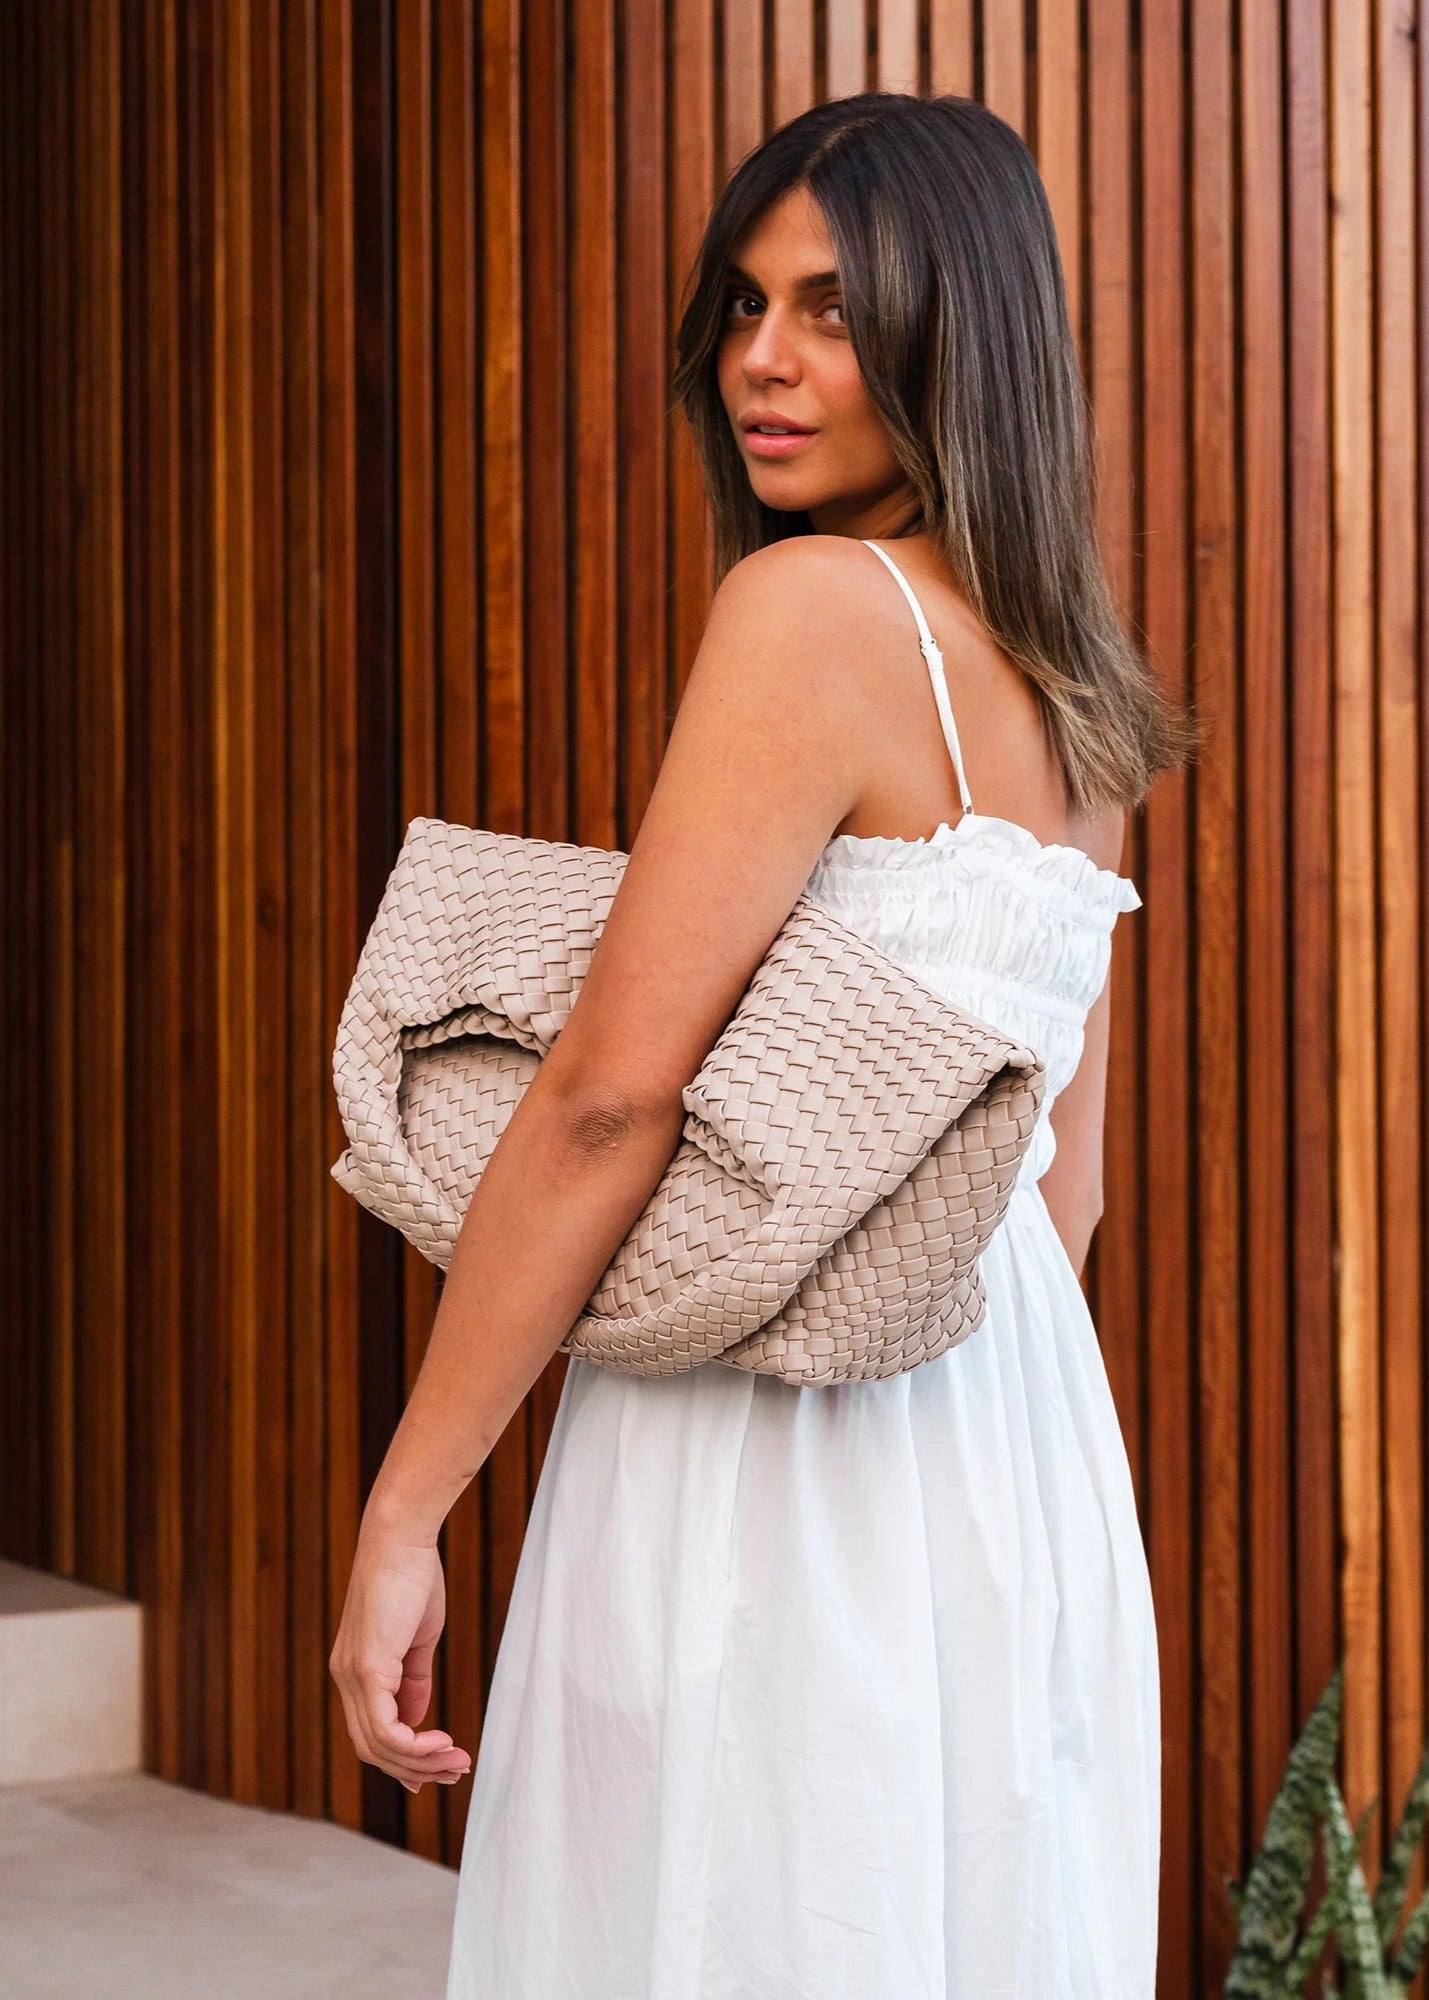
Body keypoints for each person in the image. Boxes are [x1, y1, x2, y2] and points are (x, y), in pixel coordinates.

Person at [329, 91, 1200, 1999]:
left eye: (831, 308)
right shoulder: (1082, 693)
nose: (761, 360)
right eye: (741, 303)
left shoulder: (807, 608)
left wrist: (407, 1509)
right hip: (1014, 1451)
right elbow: (1064, 1186)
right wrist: (963, 1456)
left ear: (957, 333)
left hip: (769, 1443)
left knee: (717, 1921)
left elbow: (606, 1098)